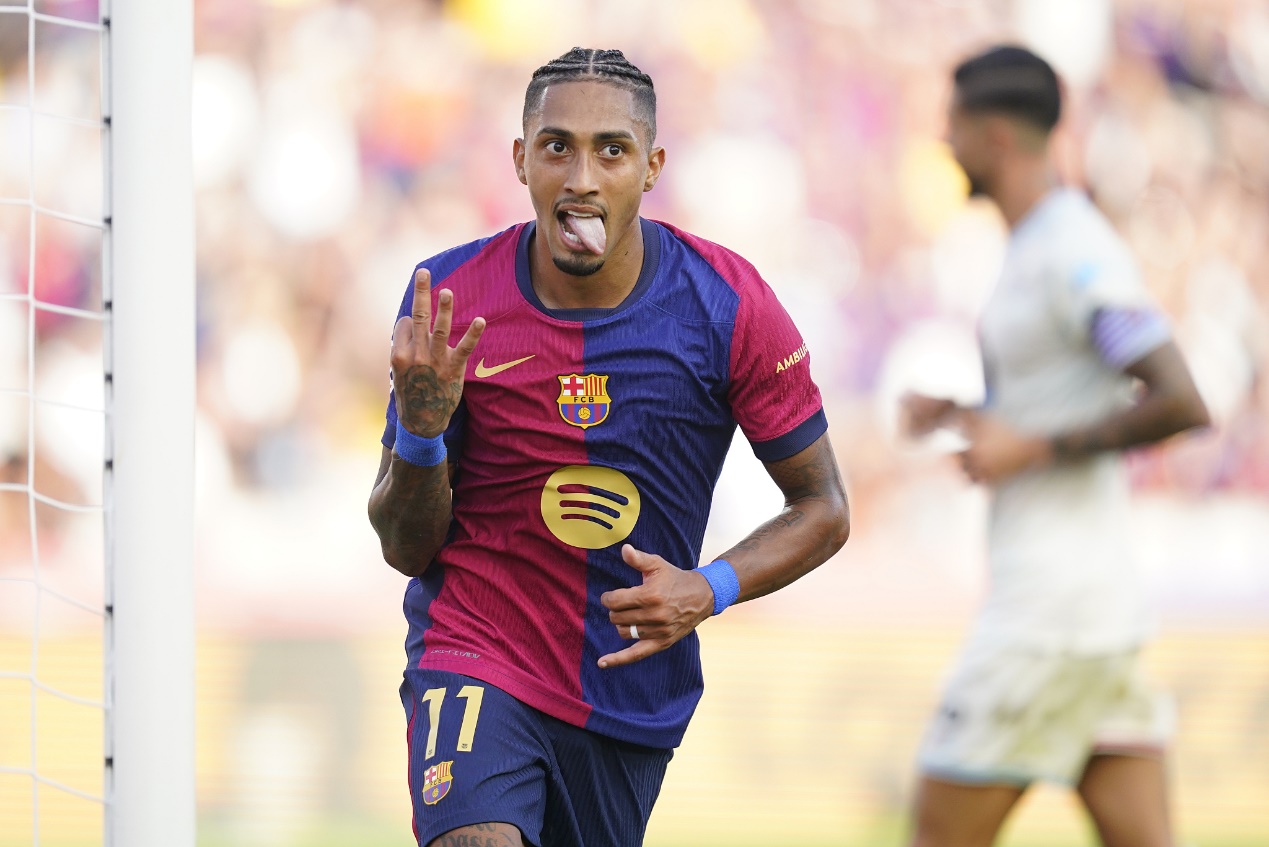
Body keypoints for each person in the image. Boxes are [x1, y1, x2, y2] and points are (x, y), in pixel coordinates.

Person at [367, 47, 850, 847]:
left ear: (652, 165)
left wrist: (709, 587)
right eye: (556, 146)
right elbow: (404, 546)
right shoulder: (448, 300)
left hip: (623, 691)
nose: (581, 177)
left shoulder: (726, 305)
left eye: (611, 150)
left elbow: (823, 508)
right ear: (520, 159)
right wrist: (420, 431)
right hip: (476, 648)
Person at [901, 46, 1210, 847]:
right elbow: (1055, 405)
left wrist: (1030, 446)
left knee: (936, 835)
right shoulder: (1038, 245)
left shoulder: (1071, 246)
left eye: (954, 128)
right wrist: (967, 414)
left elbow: (1178, 398)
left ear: (996, 137)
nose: (945, 144)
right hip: (1095, 611)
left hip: (1046, 618)